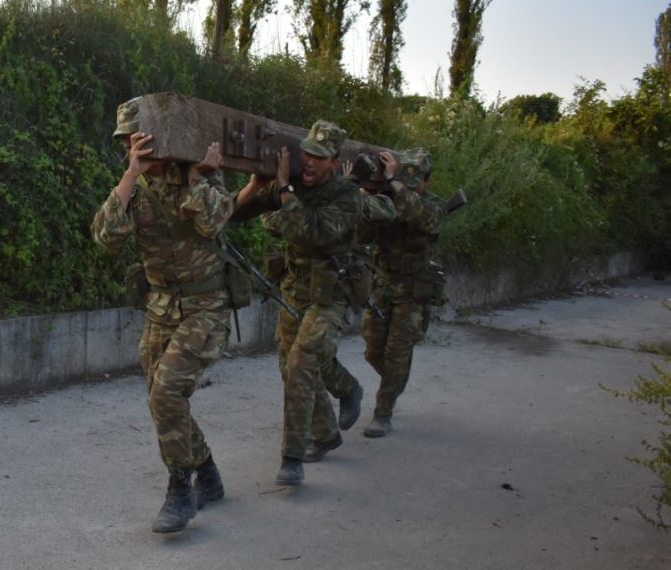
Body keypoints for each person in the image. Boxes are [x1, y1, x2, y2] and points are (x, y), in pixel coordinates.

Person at [91, 99, 234, 533]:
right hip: (160, 308)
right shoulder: (132, 186)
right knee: (162, 400)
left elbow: (215, 222)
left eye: (146, 138)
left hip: (205, 307)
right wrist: (132, 173)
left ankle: (180, 488)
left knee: (167, 394)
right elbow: (105, 237)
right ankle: (207, 471)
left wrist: (197, 178)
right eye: (130, 141)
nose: (139, 146)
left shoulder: (197, 173)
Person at [234, 120, 364, 486]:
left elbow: (316, 231)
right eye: (306, 152)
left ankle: (292, 457)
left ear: (334, 163)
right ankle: (325, 432)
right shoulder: (290, 184)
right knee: (289, 368)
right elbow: (244, 215)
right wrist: (257, 186)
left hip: (330, 296)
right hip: (294, 291)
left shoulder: (347, 197)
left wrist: (287, 196)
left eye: (318, 157)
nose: (308, 161)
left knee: (302, 361)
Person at [357, 148, 445, 438]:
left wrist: (393, 183)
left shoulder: (432, 206)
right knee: (372, 349)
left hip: (413, 290)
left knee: (397, 352)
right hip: (382, 286)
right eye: (402, 179)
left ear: (427, 182)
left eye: (413, 181)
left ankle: (383, 411)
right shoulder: (389, 201)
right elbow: (363, 236)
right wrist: (367, 203)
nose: (407, 185)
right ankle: (395, 382)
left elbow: (420, 216)